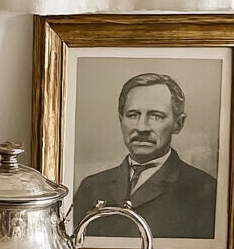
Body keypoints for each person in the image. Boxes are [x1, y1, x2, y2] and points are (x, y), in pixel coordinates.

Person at [72, 72, 217, 238]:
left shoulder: (205, 191)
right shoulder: (91, 187)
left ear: (178, 124)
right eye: (133, 115)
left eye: (155, 116)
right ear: (121, 120)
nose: (141, 127)